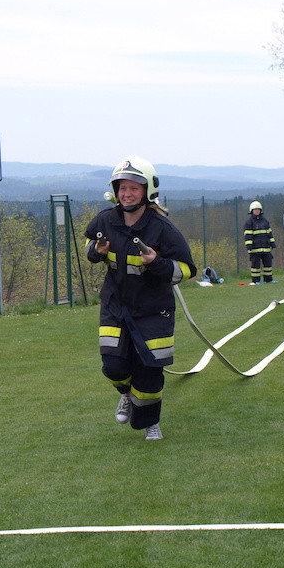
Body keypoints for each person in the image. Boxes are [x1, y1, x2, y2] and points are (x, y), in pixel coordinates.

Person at [85, 155, 197, 440]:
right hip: (116, 307)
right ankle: (126, 393)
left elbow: (186, 270)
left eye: (134, 187)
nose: (127, 193)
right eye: (122, 187)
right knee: (113, 366)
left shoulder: (163, 229)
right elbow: (90, 246)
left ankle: (150, 422)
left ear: (147, 191)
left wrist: (157, 263)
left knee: (149, 372)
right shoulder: (105, 220)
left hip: (153, 312)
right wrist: (96, 252)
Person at [244, 200, 276, 283]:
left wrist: (272, 243)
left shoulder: (265, 221)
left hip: (266, 248)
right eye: (255, 209)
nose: (257, 211)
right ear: (251, 211)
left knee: (268, 265)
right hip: (255, 249)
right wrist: (249, 246)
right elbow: (248, 235)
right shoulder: (249, 222)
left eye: (258, 209)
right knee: (255, 266)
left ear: (261, 211)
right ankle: (256, 281)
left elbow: (269, 233)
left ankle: (269, 279)